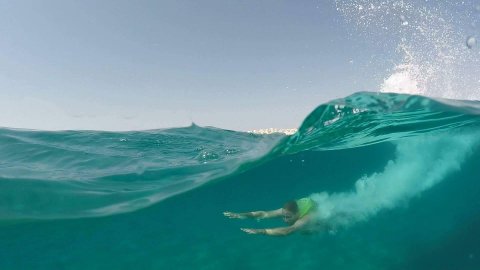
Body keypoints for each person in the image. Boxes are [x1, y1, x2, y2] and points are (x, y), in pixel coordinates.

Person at [223, 197, 317, 236]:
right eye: (283, 216)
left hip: (318, 218)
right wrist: (241, 215)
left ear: (297, 213)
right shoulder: (286, 211)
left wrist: (261, 231)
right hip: (304, 205)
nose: (284, 220)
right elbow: (264, 214)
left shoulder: (306, 217)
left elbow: (288, 230)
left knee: (307, 230)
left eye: (288, 217)